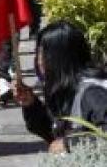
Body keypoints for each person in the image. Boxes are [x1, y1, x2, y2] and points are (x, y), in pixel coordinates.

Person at [15, 21, 107, 153]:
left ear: (59, 57)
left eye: (42, 54)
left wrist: (69, 144)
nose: (38, 60)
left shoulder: (93, 93)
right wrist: (31, 104)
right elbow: (53, 132)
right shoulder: (64, 88)